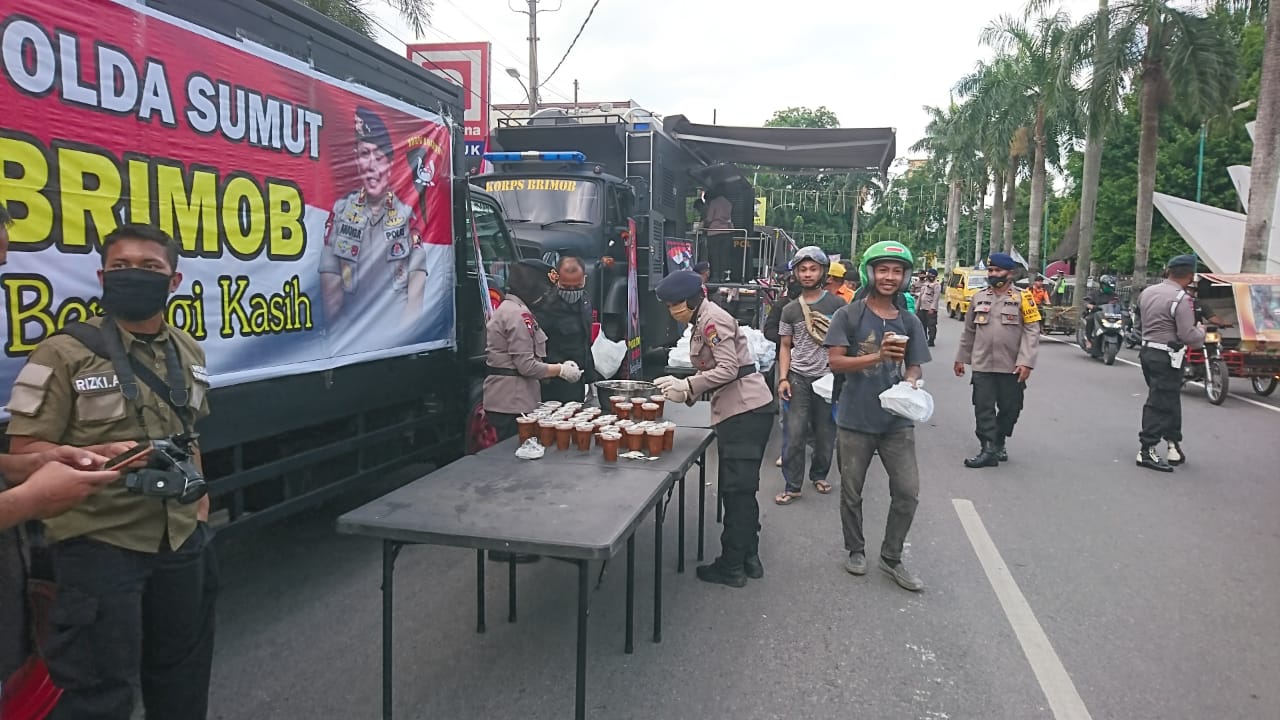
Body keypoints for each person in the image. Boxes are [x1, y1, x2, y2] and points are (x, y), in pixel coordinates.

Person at [6, 223, 218, 719]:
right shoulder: (63, 352)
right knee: (99, 694)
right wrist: (94, 457)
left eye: (150, 267)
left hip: (180, 539)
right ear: (102, 277)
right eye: (120, 266)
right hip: (99, 547)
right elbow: (23, 454)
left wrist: (201, 512)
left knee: (182, 681)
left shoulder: (188, 349)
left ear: (174, 281)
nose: (133, 275)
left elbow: (190, 435)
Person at [654, 271, 773, 588]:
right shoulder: (702, 319)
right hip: (742, 408)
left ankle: (731, 566)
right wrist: (687, 393)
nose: (672, 311)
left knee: (737, 492)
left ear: (692, 300)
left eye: (674, 305)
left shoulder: (711, 321)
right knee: (742, 489)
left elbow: (729, 369)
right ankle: (749, 557)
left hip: (744, 411)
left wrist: (687, 385)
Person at [824, 241, 929, 592]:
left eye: (897, 271)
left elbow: (914, 364)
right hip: (855, 418)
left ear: (905, 277)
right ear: (870, 273)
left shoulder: (910, 320)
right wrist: (878, 357)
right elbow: (835, 362)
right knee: (851, 492)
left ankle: (891, 556)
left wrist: (911, 381)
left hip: (897, 421)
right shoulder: (848, 315)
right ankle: (855, 549)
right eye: (883, 269)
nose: (889, 277)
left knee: (907, 492)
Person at [319, 107, 427, 352]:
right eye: (364, 154)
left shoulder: (407, 218)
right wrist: (350, 345)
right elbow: (330, 295)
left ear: (390, 164)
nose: (371, 165)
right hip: (348, 345)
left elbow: (415, 299)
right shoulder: (341, 213)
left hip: (396, 345)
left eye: (379, 157)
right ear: (356, 161)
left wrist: (396, 344)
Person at [954, 253, 1040, 468]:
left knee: (1011, 408)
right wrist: (961, 358)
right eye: (990, 270)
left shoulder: (1024, 298)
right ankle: (988, 448)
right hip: (982, 364)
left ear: (1009, 274)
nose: (993, 274)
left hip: (1011, 366)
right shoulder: (978, 298)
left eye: (998, 271)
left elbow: (1032, 330)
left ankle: (999, 440)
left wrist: (1026, 361)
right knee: (983, 407)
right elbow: (969, 331)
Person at [775, 247, 845, 505]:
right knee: (794, 434)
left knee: (825, 435)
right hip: (798, 378)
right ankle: (792, 485)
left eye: (813, 269)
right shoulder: (790, 309)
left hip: (828, 380)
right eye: (802, 269)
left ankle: (819, 475)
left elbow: (846, 342)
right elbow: (785, 346)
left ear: (823, 272)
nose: (807, 274)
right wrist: (783, 378)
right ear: (795, 273)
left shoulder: (838, 306)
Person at [482, 259, 582, 441]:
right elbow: (526, 366)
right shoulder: (518, 315)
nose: (545, 297)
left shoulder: (511, 309)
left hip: (511, 400)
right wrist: (560, 370)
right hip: (512, 403)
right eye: (544, 291)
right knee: (515, 454)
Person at [1135, 255, 1205, 472]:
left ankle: (1173, 444)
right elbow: (1188, 335)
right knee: (1159, 402)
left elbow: (1139, 321)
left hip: (1147, 352)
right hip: (1168, 356)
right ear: (1190, 275)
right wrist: (1201, 331)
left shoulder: (1147, 292)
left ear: (1169, 271)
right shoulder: (1181, 299)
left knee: (1169, 398)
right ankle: (1146, 449)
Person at [536, 255, 596, 402]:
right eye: (566, 287)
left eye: (577, 286)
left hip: (578, 378)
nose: (572, 291)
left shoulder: (585, 300)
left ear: (584, 280)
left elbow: (585, 341)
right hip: (552, 381)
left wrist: (590, 377)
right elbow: (537, 347)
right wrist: (560, 367)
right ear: (557, 280)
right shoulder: (545, 306)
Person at [701, 188, 735, 282]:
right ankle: (722, 276)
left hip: (714, 231)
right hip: (726, 232)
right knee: (723, 255)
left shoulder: (714, 202)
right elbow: (729, 219)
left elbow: (709, 218)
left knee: (714, 255)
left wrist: (704, 227)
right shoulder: (728, 203)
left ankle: (714, 276)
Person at [916, 268, 941, 347]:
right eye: (929, 274)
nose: (930, 276)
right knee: (922, 325)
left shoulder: (937, 285)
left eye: (932, 275)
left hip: (930, 309)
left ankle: (931, 340)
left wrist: (932, 308)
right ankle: (924, 339)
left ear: (935, 276)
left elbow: (936, 298)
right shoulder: (925, 284)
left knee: (931, 325)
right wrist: (917, 307)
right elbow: (920, 297)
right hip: (922, 308)